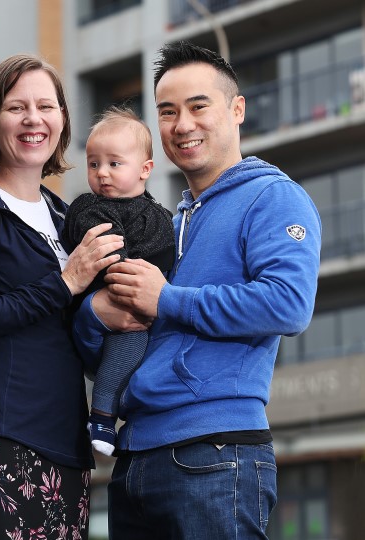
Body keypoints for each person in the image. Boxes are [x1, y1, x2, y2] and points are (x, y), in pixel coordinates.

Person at [73, 41, 322, 539]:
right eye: (167, 112)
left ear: (237, 110)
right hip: (133, 455)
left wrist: (166, 299)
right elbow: (106, 351)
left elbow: (289, 304)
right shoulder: (163, 222)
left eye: (197, 106)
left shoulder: (273, 197)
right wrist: (95, 315)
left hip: (216, 451)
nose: (181, 124)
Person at [0, 54, 126, 540]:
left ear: (62, 118)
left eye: (46, 106)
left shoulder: (67, 220)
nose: (33, 119)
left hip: (66, 445)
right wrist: (65, 282)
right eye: (17, 107)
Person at [63, 106, 175, 456]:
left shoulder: (160, 215)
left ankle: (117, 409)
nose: (102, 173)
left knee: (139, 341)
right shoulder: (88, 208)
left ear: (145, 170)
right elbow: (111, 256)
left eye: (114, 163)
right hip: (109, 297)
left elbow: (168, 257)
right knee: (129, 338)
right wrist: (141, 286)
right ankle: (101, 415)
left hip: (148, 303)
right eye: (94, 164)